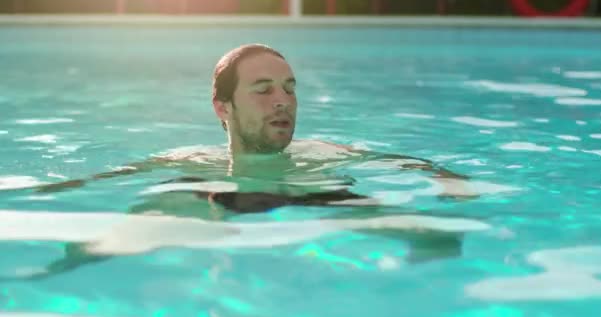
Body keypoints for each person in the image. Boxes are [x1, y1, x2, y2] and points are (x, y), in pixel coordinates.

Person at [8, 44, 479, 281]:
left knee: (438, 240)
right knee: (102, 246)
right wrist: (59, 189)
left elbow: (415, 165)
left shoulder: (325, 156)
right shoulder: (194, 163)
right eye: (264, 89)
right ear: (223, 108)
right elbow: (111, 178)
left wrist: (448, 182)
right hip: (215, 200)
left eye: (290, 88)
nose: (283, 101)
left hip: (313, 197)